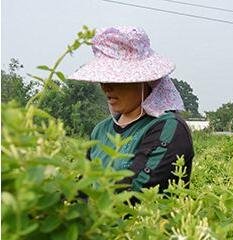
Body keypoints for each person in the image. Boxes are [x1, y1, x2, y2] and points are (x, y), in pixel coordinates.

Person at [70, 26, 194, 192]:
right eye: (103, 79)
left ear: (144, 81)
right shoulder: (101, 130)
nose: (106, 87)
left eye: (117, 80)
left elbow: (136, 189)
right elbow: (81, 185)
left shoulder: (168, 128)